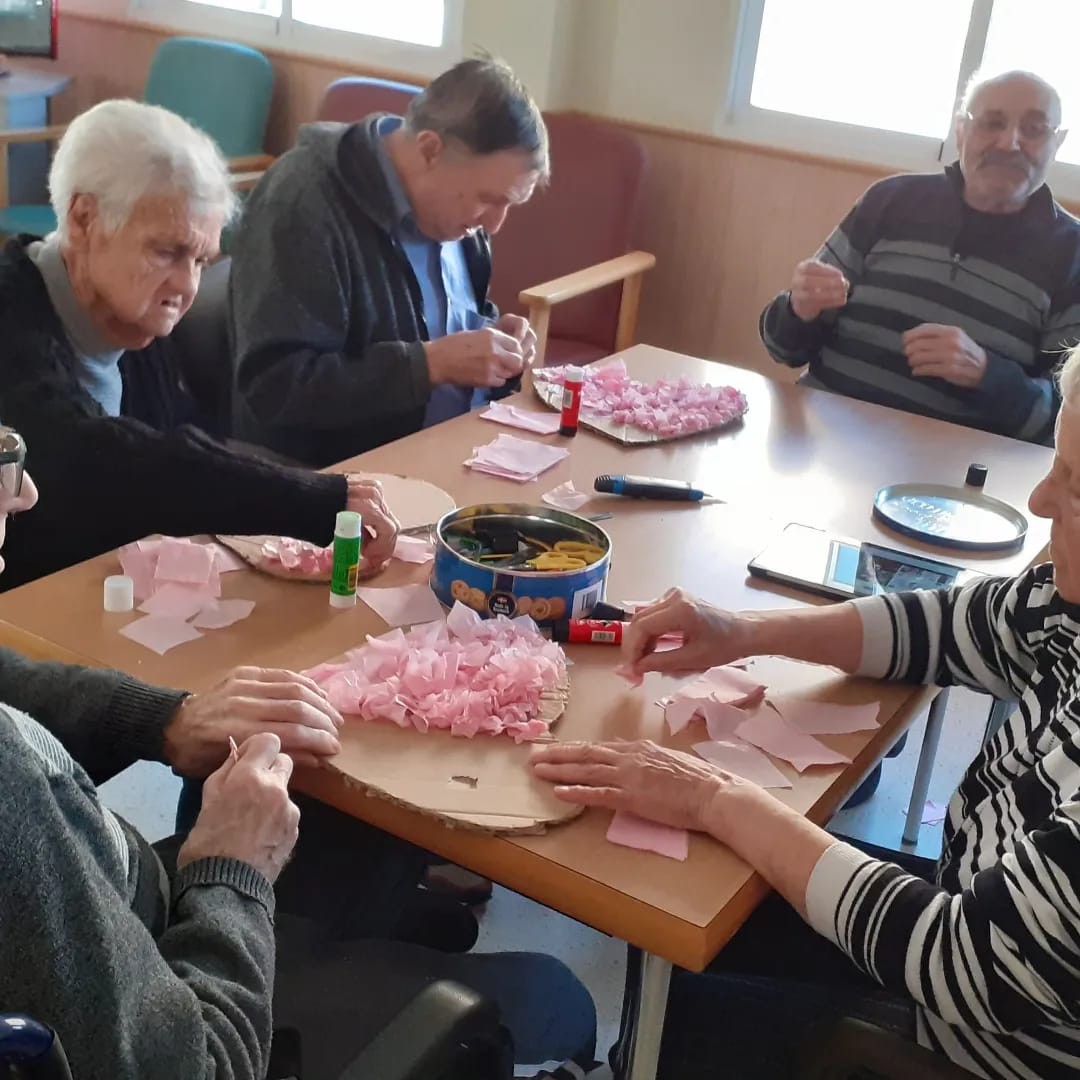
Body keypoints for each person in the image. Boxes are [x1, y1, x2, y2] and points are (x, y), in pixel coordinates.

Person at [532, 342, 1080, 1079]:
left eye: (1075, 487)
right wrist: (743, 631)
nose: (1041, 501)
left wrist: (716, 797)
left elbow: (971, 962)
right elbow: (953, 627)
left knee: (698, 998)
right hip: (978, 940)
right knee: (690, 908)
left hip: (983, 1046)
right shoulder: (1068, 610)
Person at [0, 433, 597, 1078]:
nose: (25, 492)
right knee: (556, 1000)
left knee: (338, 805)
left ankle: (361, 924)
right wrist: (230, 873)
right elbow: (201, 1066)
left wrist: (163, 719)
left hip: (111, 889)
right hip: (180, 988)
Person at [0, 99, 398, 591]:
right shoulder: (11, 316)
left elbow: (181, 450)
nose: (186, 287)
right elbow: (93, 461)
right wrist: (310, 500)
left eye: (202, 261)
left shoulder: (134, 322)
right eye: (167, 252)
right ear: (84, 219)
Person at [229, 57, 545, 467]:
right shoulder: (302, 202)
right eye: (488, 199)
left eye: (509, 204)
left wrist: (494, 339)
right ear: (430, 150)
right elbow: (275, 388)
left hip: (457, 450)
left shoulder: (455, 213)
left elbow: (439, 318)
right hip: (336, 477)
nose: (495, 225)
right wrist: (428, 366)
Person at [760, 70, 1080, 447]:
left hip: (953, 469)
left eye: (1035, 129)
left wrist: (988, 375)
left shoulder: (1071, 252)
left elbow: (1067, 422)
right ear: (961, 132)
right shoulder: (889, 200)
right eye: (992, 123)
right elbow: (783, 348)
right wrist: (799, 310)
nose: (1010, 143)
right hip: (820, 440)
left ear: (1057, 142)